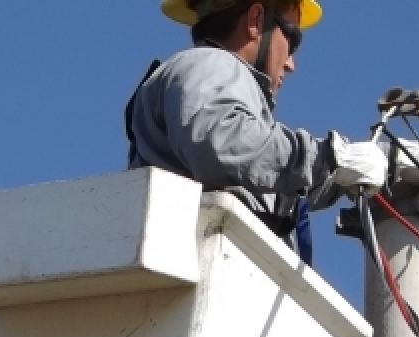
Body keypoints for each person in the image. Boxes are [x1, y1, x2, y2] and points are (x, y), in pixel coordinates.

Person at [126, 0, 388, 264]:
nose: (290, 64)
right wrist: (329, 156)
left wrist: (344, 170)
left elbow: (268, 178)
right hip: (201, 267)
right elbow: (226, 146)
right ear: (256, 19)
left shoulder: (206, 77)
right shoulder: (210, 63)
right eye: (292, 42)